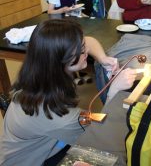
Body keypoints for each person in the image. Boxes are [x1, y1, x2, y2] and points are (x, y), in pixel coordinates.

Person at [0, 19, 137, 165]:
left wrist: (103, 59)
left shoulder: (39, 72)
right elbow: (99, 133)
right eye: (80, 51)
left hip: (48, 142)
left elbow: (89, 41)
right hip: (35, 160)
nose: (86, 52)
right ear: (61, 59)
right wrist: (113, 91)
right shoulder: (52, 113)